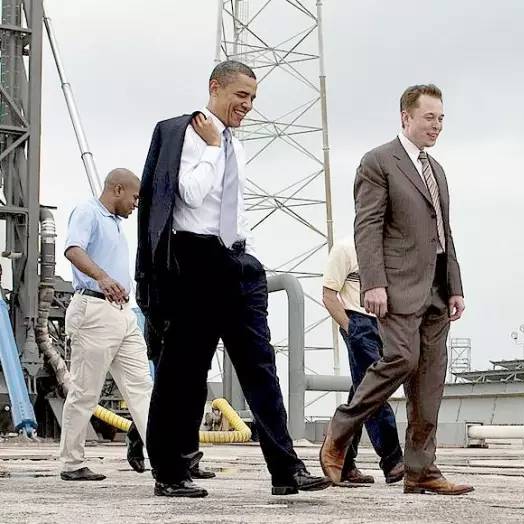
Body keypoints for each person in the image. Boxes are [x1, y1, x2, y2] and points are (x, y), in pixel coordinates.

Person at [136, 59, 331, 498]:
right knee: (183, 371)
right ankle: (170, 472)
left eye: (253, 98)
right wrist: (210, 148)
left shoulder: (235, 146)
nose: (248, 105)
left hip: (237, 262)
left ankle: (286, 470)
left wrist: (249, 254)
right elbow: (189, 195)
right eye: (241, 95)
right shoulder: (188, 134)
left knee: (261, 367)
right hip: (195, 261)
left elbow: (234, 209)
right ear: (215, 88)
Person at [320, 84, 474, 495]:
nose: (436, 126)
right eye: (429, 118)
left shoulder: (437, 170)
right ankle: (341, 428)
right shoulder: (378, 162)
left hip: (438, 288)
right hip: (399, 286)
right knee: (402, 359)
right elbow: (367, 225)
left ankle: (421, 469)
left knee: (430, 380)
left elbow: (444, 233)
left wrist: (455, 285)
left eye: (441, 118)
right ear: (406, 117)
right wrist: (374, 282)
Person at [60, 169, 153, 481]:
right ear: (117, 189)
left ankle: (164, 460)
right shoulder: (88, 211)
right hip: (94, 310)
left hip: (123, 313)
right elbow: (73, 249)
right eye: (135, 197)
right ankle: (72, 464)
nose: (136, 204)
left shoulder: (115, 223)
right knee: (85, 391)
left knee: (142, 387)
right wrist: (102, 277)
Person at [322, 237, 404, 484]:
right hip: (358, 321)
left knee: (361, 392)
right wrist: (351, 329)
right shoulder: (345, 249)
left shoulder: (389, 252)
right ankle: (393, 460)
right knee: (375, 390)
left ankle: (344, 461)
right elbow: (328, 295)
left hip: (385, 324)